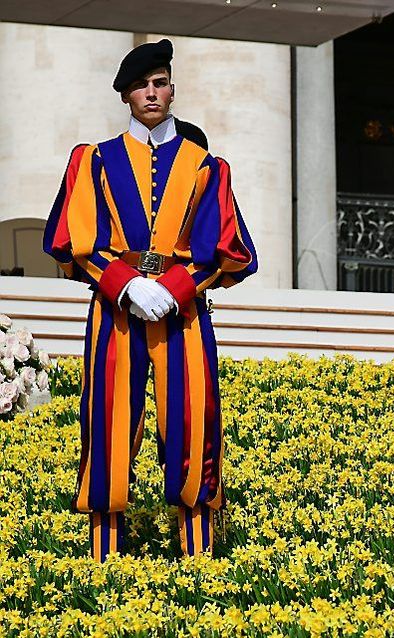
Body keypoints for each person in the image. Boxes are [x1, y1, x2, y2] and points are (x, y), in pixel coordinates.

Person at [41, 39, 258, 563]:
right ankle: (105, 564)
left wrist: (176, 288)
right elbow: (76, 238)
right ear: (126, 96)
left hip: (183, 313)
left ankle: (198, 563)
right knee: (108, 422)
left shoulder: (207, 165)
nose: (152, 92)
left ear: (172, 87)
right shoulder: (93, 160)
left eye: (160, 82)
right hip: (115, 310)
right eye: (141, 85)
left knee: (192, 422)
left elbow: (224, 247)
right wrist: (126, 284)